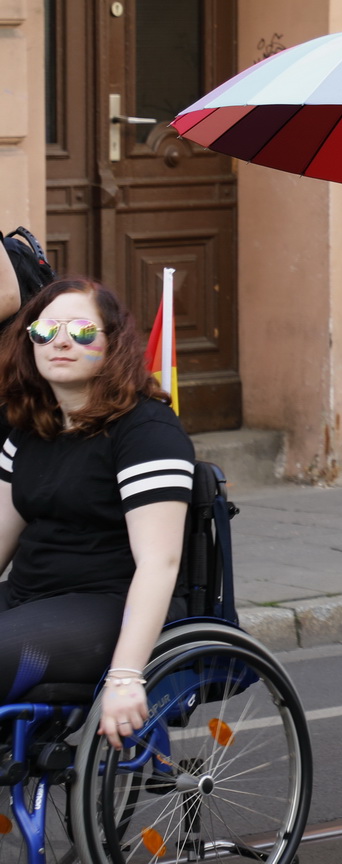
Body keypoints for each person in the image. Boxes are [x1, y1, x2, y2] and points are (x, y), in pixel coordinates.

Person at [0, 277, 193, 750]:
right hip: (29, 597)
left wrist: (125, 676)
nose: (61, 341)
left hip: (108, 605)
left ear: (113, 344)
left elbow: (160, 562)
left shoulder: (147, 432)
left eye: (82, 331)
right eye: (45, 330)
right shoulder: (28, 428)